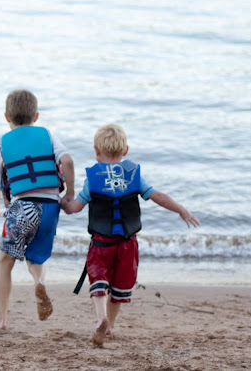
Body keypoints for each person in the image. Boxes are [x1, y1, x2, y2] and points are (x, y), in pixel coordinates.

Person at [62, 123, 200, 347]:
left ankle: (101, 318)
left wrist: (63, 203)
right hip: (127, 244)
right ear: (126, 150)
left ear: (96, 150)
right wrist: (181, 210)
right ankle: (110, 325)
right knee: (119, 287)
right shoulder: (134, 175)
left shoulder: (93, 178)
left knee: (99, 280)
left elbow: (75, 207)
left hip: (101, 243)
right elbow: (158, 196)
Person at [0, 89, 75, 330]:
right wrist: (70, 194)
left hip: (22, 207)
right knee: (36, 256)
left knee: (5, 260)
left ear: (7, 117)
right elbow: (67, 161)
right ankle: (38, 281)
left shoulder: (3, 143)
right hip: (51, 207)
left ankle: (1, 319)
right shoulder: (48, 135)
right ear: (36, 116)